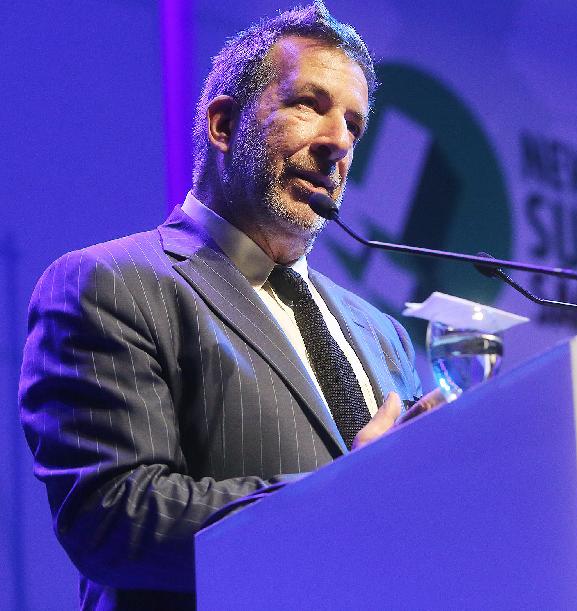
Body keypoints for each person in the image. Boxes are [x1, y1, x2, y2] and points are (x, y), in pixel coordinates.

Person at [18, 3, 440, 609]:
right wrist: (340, 495)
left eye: (354, 124)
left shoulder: (384, 336)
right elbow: (112, 518)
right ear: (222, 124)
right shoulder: (109, 284)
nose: (337, 144)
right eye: (308, 105)